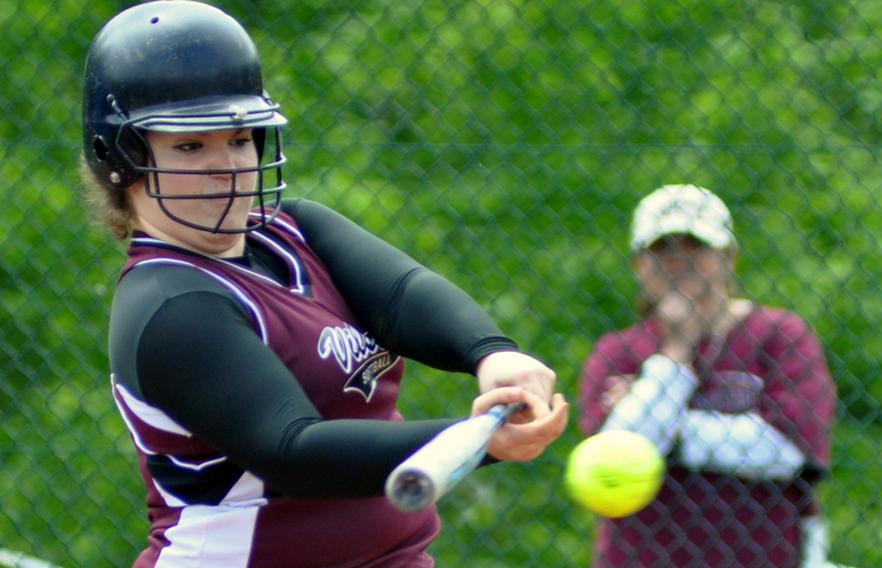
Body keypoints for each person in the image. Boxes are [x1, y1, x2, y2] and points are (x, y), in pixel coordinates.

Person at [81, 2, 569, 566]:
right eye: (190, 146)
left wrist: (492, 355)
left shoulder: (297, 230)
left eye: (240, 138)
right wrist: (474, 441)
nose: (229, 164)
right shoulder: (168, 304)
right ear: (118, 158)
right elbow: (295, 452)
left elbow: (403, 296)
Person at [578, 184, 837, 568]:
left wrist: (667, 427)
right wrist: (677, 353)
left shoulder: (779, 335)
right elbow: (615, 455)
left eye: (695, 245)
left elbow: (790, 451)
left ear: (729, 257)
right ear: (639, 264)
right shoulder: (618, 352)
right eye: (662, 248)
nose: (678, 260)